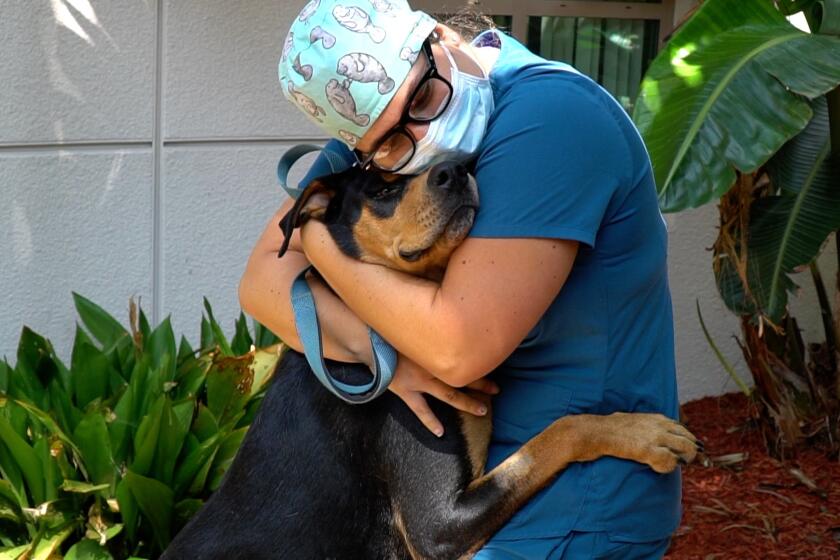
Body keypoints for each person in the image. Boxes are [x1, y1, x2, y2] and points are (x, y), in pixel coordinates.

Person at [239, 1, 681, 557]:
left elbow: (455, 349)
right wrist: (384, 359)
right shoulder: (380, 134)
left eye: (423, 97)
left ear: (442, 37)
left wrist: (319, 240)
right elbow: (261, 280)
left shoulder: (550, 120)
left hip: (570, 519)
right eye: (391, 146)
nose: (423, 139)